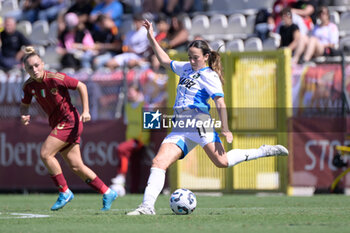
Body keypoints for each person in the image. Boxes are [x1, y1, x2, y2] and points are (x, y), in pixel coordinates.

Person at [126, 20, 289, 215]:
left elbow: (220, 103)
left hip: (199, 124)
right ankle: (147, 207)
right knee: (159, 163)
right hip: (180, 127)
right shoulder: (186, 68)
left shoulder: (209, 76)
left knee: (223, 162)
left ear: (205, 57)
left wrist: (226, 129)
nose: (192, 61)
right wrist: (151, 37)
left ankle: (263, 151)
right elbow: (164, 61)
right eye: (190, 57)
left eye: (195, 57)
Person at [20, 46, 117, 211]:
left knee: (45, 153)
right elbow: (24, 105)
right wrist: (24, 115)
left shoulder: (55, 78)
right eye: (30, 67)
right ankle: (107, 191)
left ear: (42, 64)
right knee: (76, 166)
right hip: (59, 123)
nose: (34, 69)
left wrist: (86, 110)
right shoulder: (29, 86)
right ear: (25, 69)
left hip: (70, 121)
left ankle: (64, 191)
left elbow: (82, 86)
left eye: (37, 65)